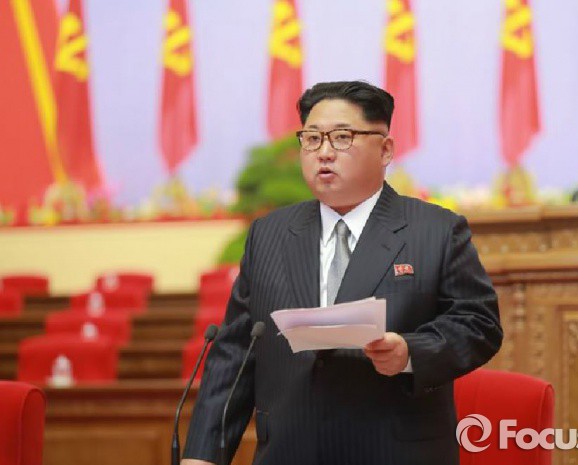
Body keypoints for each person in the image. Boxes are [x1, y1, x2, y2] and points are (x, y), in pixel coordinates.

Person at [181, 81, 502, 465]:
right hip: (289, 452)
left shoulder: (435, 230)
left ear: (385, 150)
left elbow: (479, 324)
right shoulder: (269, 235)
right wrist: (202, 456)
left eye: (342, 137)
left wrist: (410, 352)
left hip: (393, 453)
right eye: (312, 138)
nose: (324, 152)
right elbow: (235, 353)